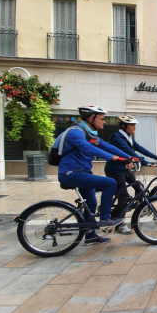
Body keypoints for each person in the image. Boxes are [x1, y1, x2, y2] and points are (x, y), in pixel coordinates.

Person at [56, 105, 135, 245]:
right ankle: (105, 219)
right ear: (91, 118)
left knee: (91, 203)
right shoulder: (75, 132)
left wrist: (130, 157)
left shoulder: (89, 134)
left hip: (83, 172)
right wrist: (115, 158)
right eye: (102, 119)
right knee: (110, 183)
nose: (104, 121)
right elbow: (89, 148)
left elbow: (107, 146)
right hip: (71, 173)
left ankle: (90, 235)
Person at [104, 115, 157, 235]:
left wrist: (156, 157)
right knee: (124, 198)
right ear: (123, 126)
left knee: (139, 186)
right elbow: (130, 152)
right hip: (115, 170)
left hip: (124, 169)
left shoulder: (128, 137)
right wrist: (146, 162)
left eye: (134, 125)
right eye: (131, 125)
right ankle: (118, 222)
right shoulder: (117, 138)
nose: (134, 127)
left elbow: (139, 148)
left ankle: (139, 209)